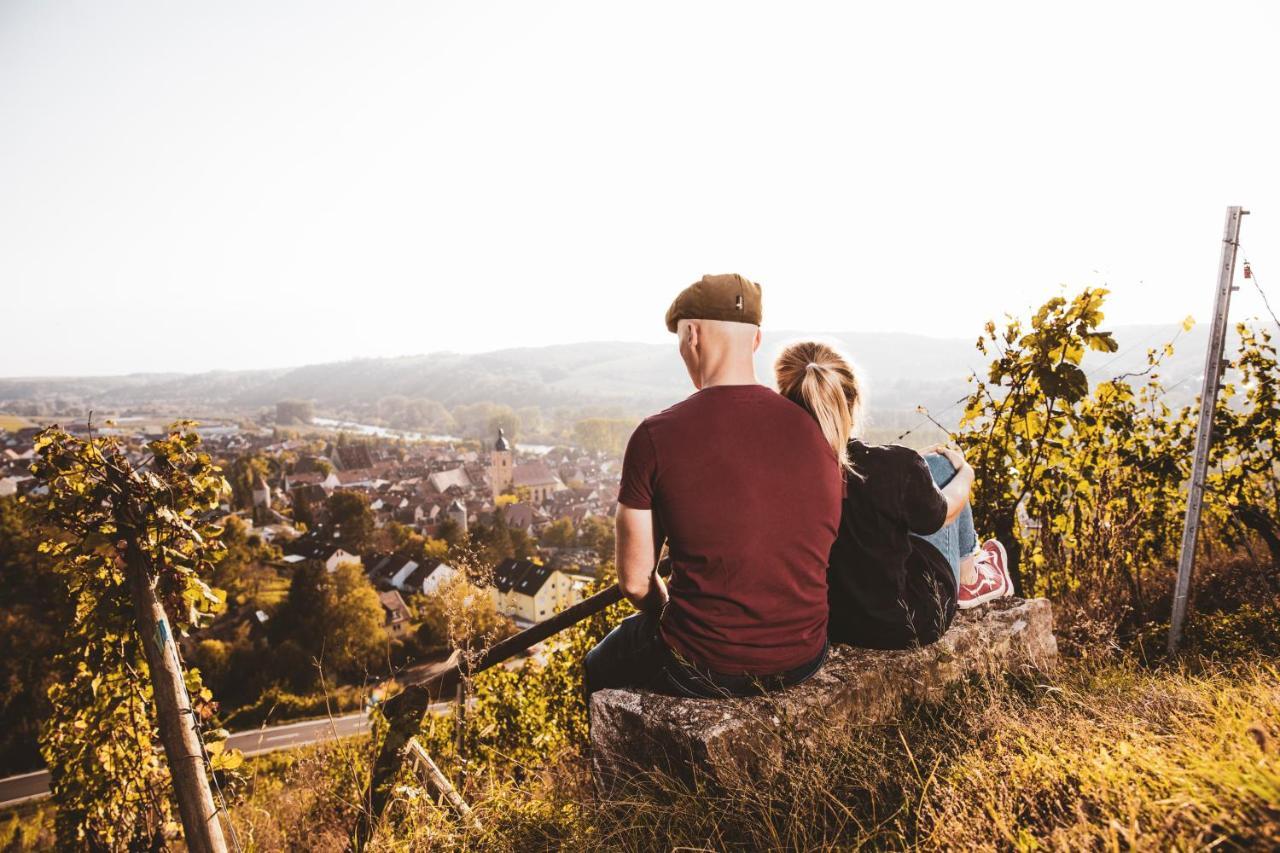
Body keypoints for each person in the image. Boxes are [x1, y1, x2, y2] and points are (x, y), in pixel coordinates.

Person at [583, 275, 844, 698]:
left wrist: (662, 610)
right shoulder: (816, 427)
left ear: (691, 335)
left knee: (598, 665)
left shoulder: (656, 436)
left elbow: (634, 582)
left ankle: (615, 767)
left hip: (706, 664)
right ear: (756, 340)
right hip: (805, 656)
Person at [774, 340, 1013, 650]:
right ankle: (970, 577)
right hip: (909, 621)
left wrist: (914, 467)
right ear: (854, 399)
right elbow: (943, 514)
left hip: (834, 622)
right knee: (943, 466)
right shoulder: (892, 467)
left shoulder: (778, 472)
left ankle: (972, 571)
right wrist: (965, 474)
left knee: (925, 471)